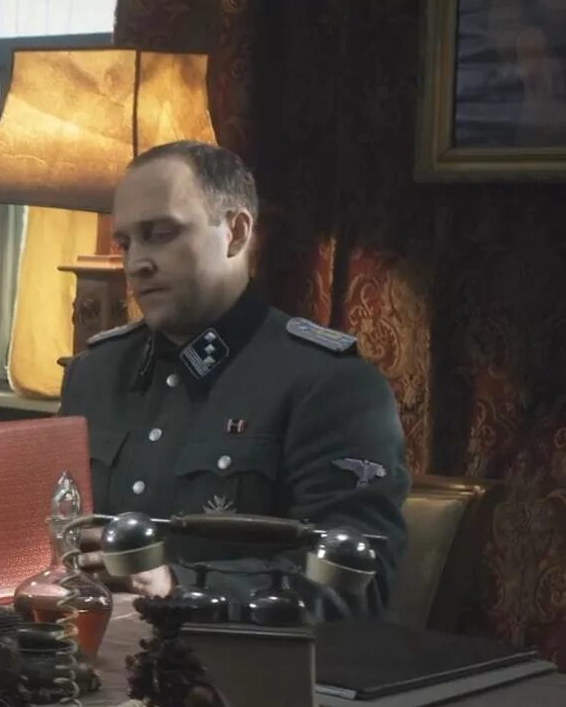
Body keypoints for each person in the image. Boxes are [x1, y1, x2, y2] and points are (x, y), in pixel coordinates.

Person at [58, 140, 409, 619]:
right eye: (126, 243)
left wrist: (178, 586)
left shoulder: (329, 385)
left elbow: (358, 584)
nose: (137, 262)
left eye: (161, 234)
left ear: (236, 233)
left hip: (234, 659)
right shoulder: (94, 373)